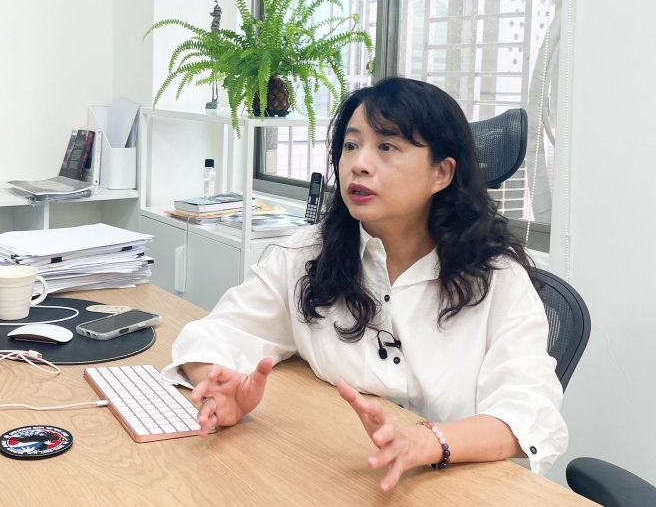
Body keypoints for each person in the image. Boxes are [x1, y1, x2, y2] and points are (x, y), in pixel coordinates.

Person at [162, 78, 566, 491]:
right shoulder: (307, 257)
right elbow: (218, 332)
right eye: (351, 146)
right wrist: (214, 384)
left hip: (460, 484)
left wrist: (427, 441)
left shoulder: (497, 279)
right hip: (341, 476)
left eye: (386, 147)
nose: (359, 163)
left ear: (441, 173)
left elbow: (529, 415)